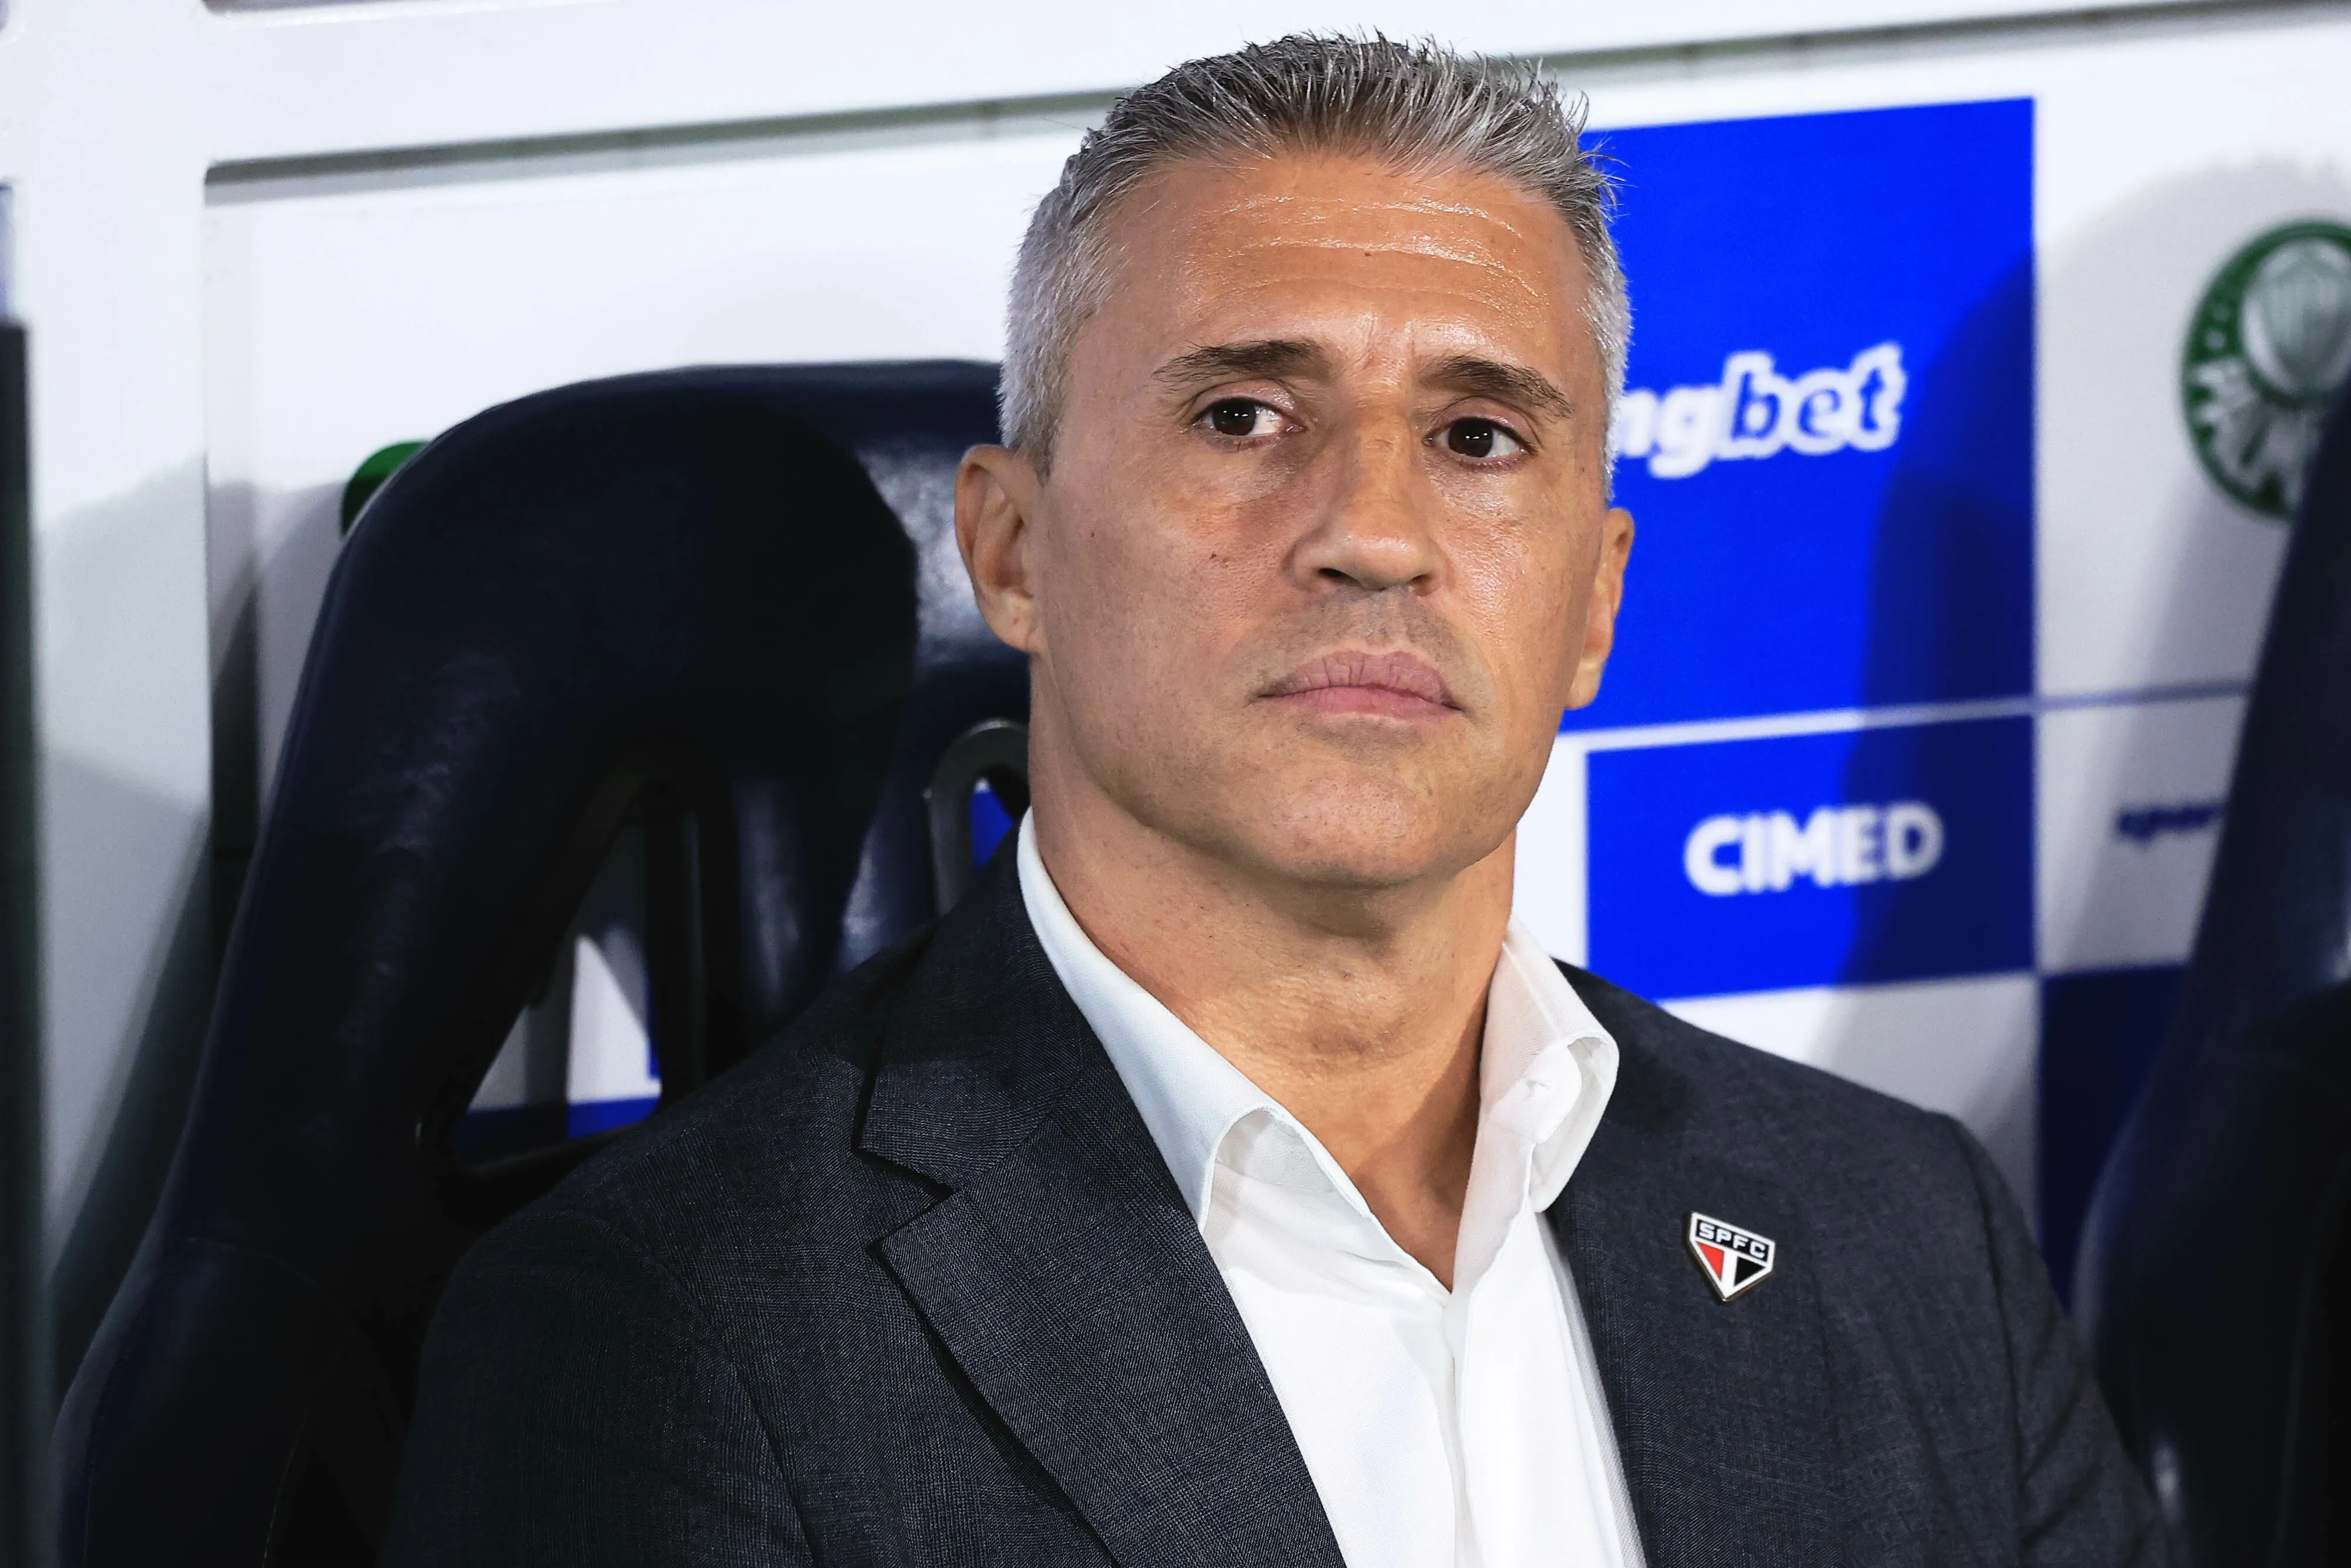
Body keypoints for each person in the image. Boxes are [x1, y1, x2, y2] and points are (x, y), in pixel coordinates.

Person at [386, 35, 2168, 1567]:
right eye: (1244, 414)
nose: (1372, 530)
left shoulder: (1901, 1232)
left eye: (1478, 438)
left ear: (1597, 603)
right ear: (1011, 549)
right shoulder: (676, 1329)